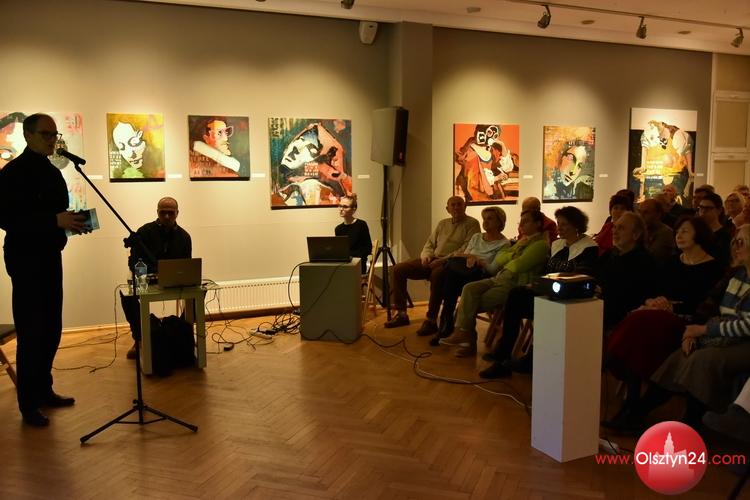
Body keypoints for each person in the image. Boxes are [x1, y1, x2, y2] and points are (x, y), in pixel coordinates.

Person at [607, 224, 750, 432]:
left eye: (741, 242)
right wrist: (693, 332)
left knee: (703, 359)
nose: (735, 247)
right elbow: (714, 310)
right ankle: (637, 412)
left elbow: (747, 324)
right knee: (680, 356)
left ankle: (690, 423)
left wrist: (702, 330)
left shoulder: (717, 269)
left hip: (743, 341)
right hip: (721, 333)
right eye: (734, 242)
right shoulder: (737, 275)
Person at [0, 113, 88, 427]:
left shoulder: (52, 172)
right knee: (31, 332)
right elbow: (7, 219)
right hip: (25, 260)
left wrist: (71, 222)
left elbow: (58, 212)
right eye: (46, 134)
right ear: (28, 135)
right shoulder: (12, 174)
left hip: (50, 256)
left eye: (55, 134)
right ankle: (28, 404)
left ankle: (44, 389)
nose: (53, 140)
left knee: (52, 328)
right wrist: (53, 221)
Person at [479, 206, 598, 378]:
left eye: (564, 224)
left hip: (569, 300)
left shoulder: (588, 247)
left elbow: (581, 276)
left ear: (576, 225)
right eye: (558, 223)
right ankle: (503, 356)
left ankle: (527, 359)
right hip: (549, 293)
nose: (559, 227)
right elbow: (546, 271)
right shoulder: (557, 245)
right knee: (516, 295)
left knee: (528, 301)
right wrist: (536, 284)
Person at [440, 210, 550, 357]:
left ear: (537, 224)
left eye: (526, 221)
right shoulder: (522, 241)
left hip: (514, 283)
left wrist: (510, 257)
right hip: (499, 277)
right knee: (468, 289)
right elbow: (501, 258)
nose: (521, 224)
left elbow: (518, 265)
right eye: (521, 221)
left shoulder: (540, 245)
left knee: (468, 304)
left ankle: (466, 339)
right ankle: (463, 334)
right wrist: (512, 256)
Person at [384, 196, 480, 328]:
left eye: (459, 204)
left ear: (465, 207)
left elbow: (466, 248)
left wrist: (442, 261)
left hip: (451, 263)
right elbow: (430, 243)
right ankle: (401, 314)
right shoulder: (442, 223)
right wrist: (426, 256)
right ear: (447, 209)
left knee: (437, 276)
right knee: (398, 269)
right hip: (434, 258)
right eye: (453, 205)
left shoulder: (472, 223)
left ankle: (431, 319)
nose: (456, 207)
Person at [425, 206, 510, 341]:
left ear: (500, 222)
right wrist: (470, 257)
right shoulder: (477, 237)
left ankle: (446, 324)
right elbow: (464, 254)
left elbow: (492, 269)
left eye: (490, 219)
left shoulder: (504, 244)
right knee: (448, 276)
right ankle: (448, 324)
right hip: (464, 271)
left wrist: (477, 260)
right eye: (484, 218)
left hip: (482, 275)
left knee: (448, 278)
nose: (485, 222)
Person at [123, 197, 192, 358]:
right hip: (147, 281)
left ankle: (183, 333)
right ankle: (140, 338)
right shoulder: (143, 232)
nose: (167, 216)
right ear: (157, 212)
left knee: (199, 294)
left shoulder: (184, 237)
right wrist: (148, 273)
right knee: (127, 298)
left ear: (177, 213)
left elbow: (187, 265)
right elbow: (133, 262)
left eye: (170, 213)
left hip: (175, 282)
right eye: (163, 212)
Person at [334, 194, 372, 274]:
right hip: (344, 265)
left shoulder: (361, 225)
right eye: (340, 206)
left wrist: (352, 257)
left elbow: (368, 248)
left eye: (345, 207)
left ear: (353, 209)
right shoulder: (338, 229)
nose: (341, 209)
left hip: (358, 265)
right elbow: (340, 250)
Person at [697, 191, 732, 269]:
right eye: (701, 207)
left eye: (708, 208)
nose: (703, 212)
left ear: (719, 210)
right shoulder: (695, 231)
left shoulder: (725, 236)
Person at [638, 198, 675, 264]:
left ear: (658, 215)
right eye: (640, 212)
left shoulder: (667, 234)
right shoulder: (639, 232)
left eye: (646, 212)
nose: (641, 216)